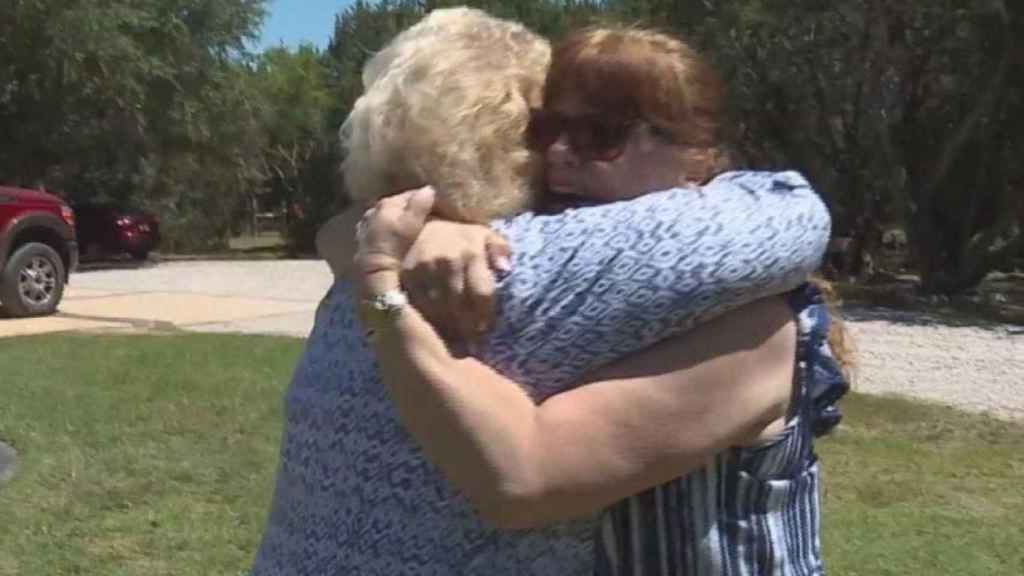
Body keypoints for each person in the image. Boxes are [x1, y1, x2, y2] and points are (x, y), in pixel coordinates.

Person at [252, 9, 840, 576]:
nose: (559, 152)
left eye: (598, 135)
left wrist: (386, 256)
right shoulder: (491, 260)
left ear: (697, 156)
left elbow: (794, 213)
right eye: (545, 130)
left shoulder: (755, 319)